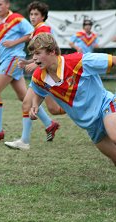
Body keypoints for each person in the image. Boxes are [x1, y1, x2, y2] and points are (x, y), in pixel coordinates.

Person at [28, 33, 116, 166]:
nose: (34, 58)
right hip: (89, 124)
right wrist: (35, 105)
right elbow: (39, 92)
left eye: (38, 53)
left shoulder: (78, 62)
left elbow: (113, 61)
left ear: (52, 51)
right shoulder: (38, 77)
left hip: (105, 105)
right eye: (33, 54)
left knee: (114, 136)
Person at [4, 1, 61, 150]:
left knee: (52, 108)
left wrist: (34, 64)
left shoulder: (44, 29)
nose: (33, 17)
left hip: (44, 73)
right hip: (41, 74)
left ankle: (30, 137)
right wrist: (28, 61)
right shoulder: (37, 30)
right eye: (31, 14)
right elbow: (39, 54)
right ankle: (27, 138)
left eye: (36, 14)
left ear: (43, 16)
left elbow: (48, 52)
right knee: (27, 103)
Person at [0, 0, 33, 142]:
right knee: (25, 97)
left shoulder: (17, 19)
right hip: (6, 60)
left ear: (7, 5)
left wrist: (13, 43)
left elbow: (31, 34)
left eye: (0, 4)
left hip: (14, 58)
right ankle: (49, 124)